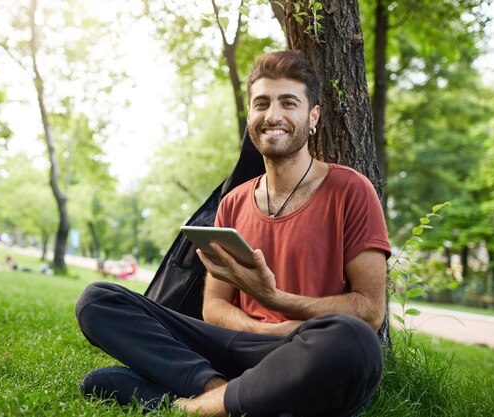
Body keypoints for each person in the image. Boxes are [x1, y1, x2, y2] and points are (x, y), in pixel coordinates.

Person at [75, 50, 391, 417]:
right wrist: (263, 332)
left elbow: (369, 311)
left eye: (289, 103)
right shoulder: (235, 201)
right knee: (98, 300)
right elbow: (214, 306)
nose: (273, 115)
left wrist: (274, 299)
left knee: (354, 341)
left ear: (313, 116)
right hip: (239, 345)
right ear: (250, 117)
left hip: (308, 349)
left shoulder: (351, 190)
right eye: (262, 104)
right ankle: (223, 393)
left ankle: (186, 406)